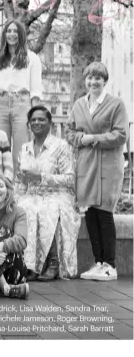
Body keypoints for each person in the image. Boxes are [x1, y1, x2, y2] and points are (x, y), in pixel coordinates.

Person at [66, 62, 129, 282]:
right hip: (86, 163)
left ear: (105, 81)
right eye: (89, 78)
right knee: (91, 212)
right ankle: (98, 262)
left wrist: (95, 139)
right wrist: (80, 139)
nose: (93, 82)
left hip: (108, 164)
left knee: (104, 211)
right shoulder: (79, 105)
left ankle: (111, 264)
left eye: (98, 78)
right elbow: (70, 132)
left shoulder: (116, 104)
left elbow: (121, 135)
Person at [15, 105, 80, 281]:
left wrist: (41, 177)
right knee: (22, 208)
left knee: (46, 209)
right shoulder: (25, 148)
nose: (37, 122)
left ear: (50, 123)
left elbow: (69, 179)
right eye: (33, 120)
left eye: (41, 119)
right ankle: (30, 266)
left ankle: (53, 263)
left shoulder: (61, 146)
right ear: (28, 124)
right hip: (32, 194)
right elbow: (20, 180)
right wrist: (15, 198)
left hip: (57, 194)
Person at [0, 19, 43, 173]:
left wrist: (36, 114)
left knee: (21, 149)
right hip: (0, 104)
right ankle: (1, 187)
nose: (11, 34)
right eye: (8, 31)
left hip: (22, 104)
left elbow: (36, 89)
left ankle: (19, 188)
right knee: (0, 147)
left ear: (21, 35)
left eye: (15, 31)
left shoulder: (32, 58)